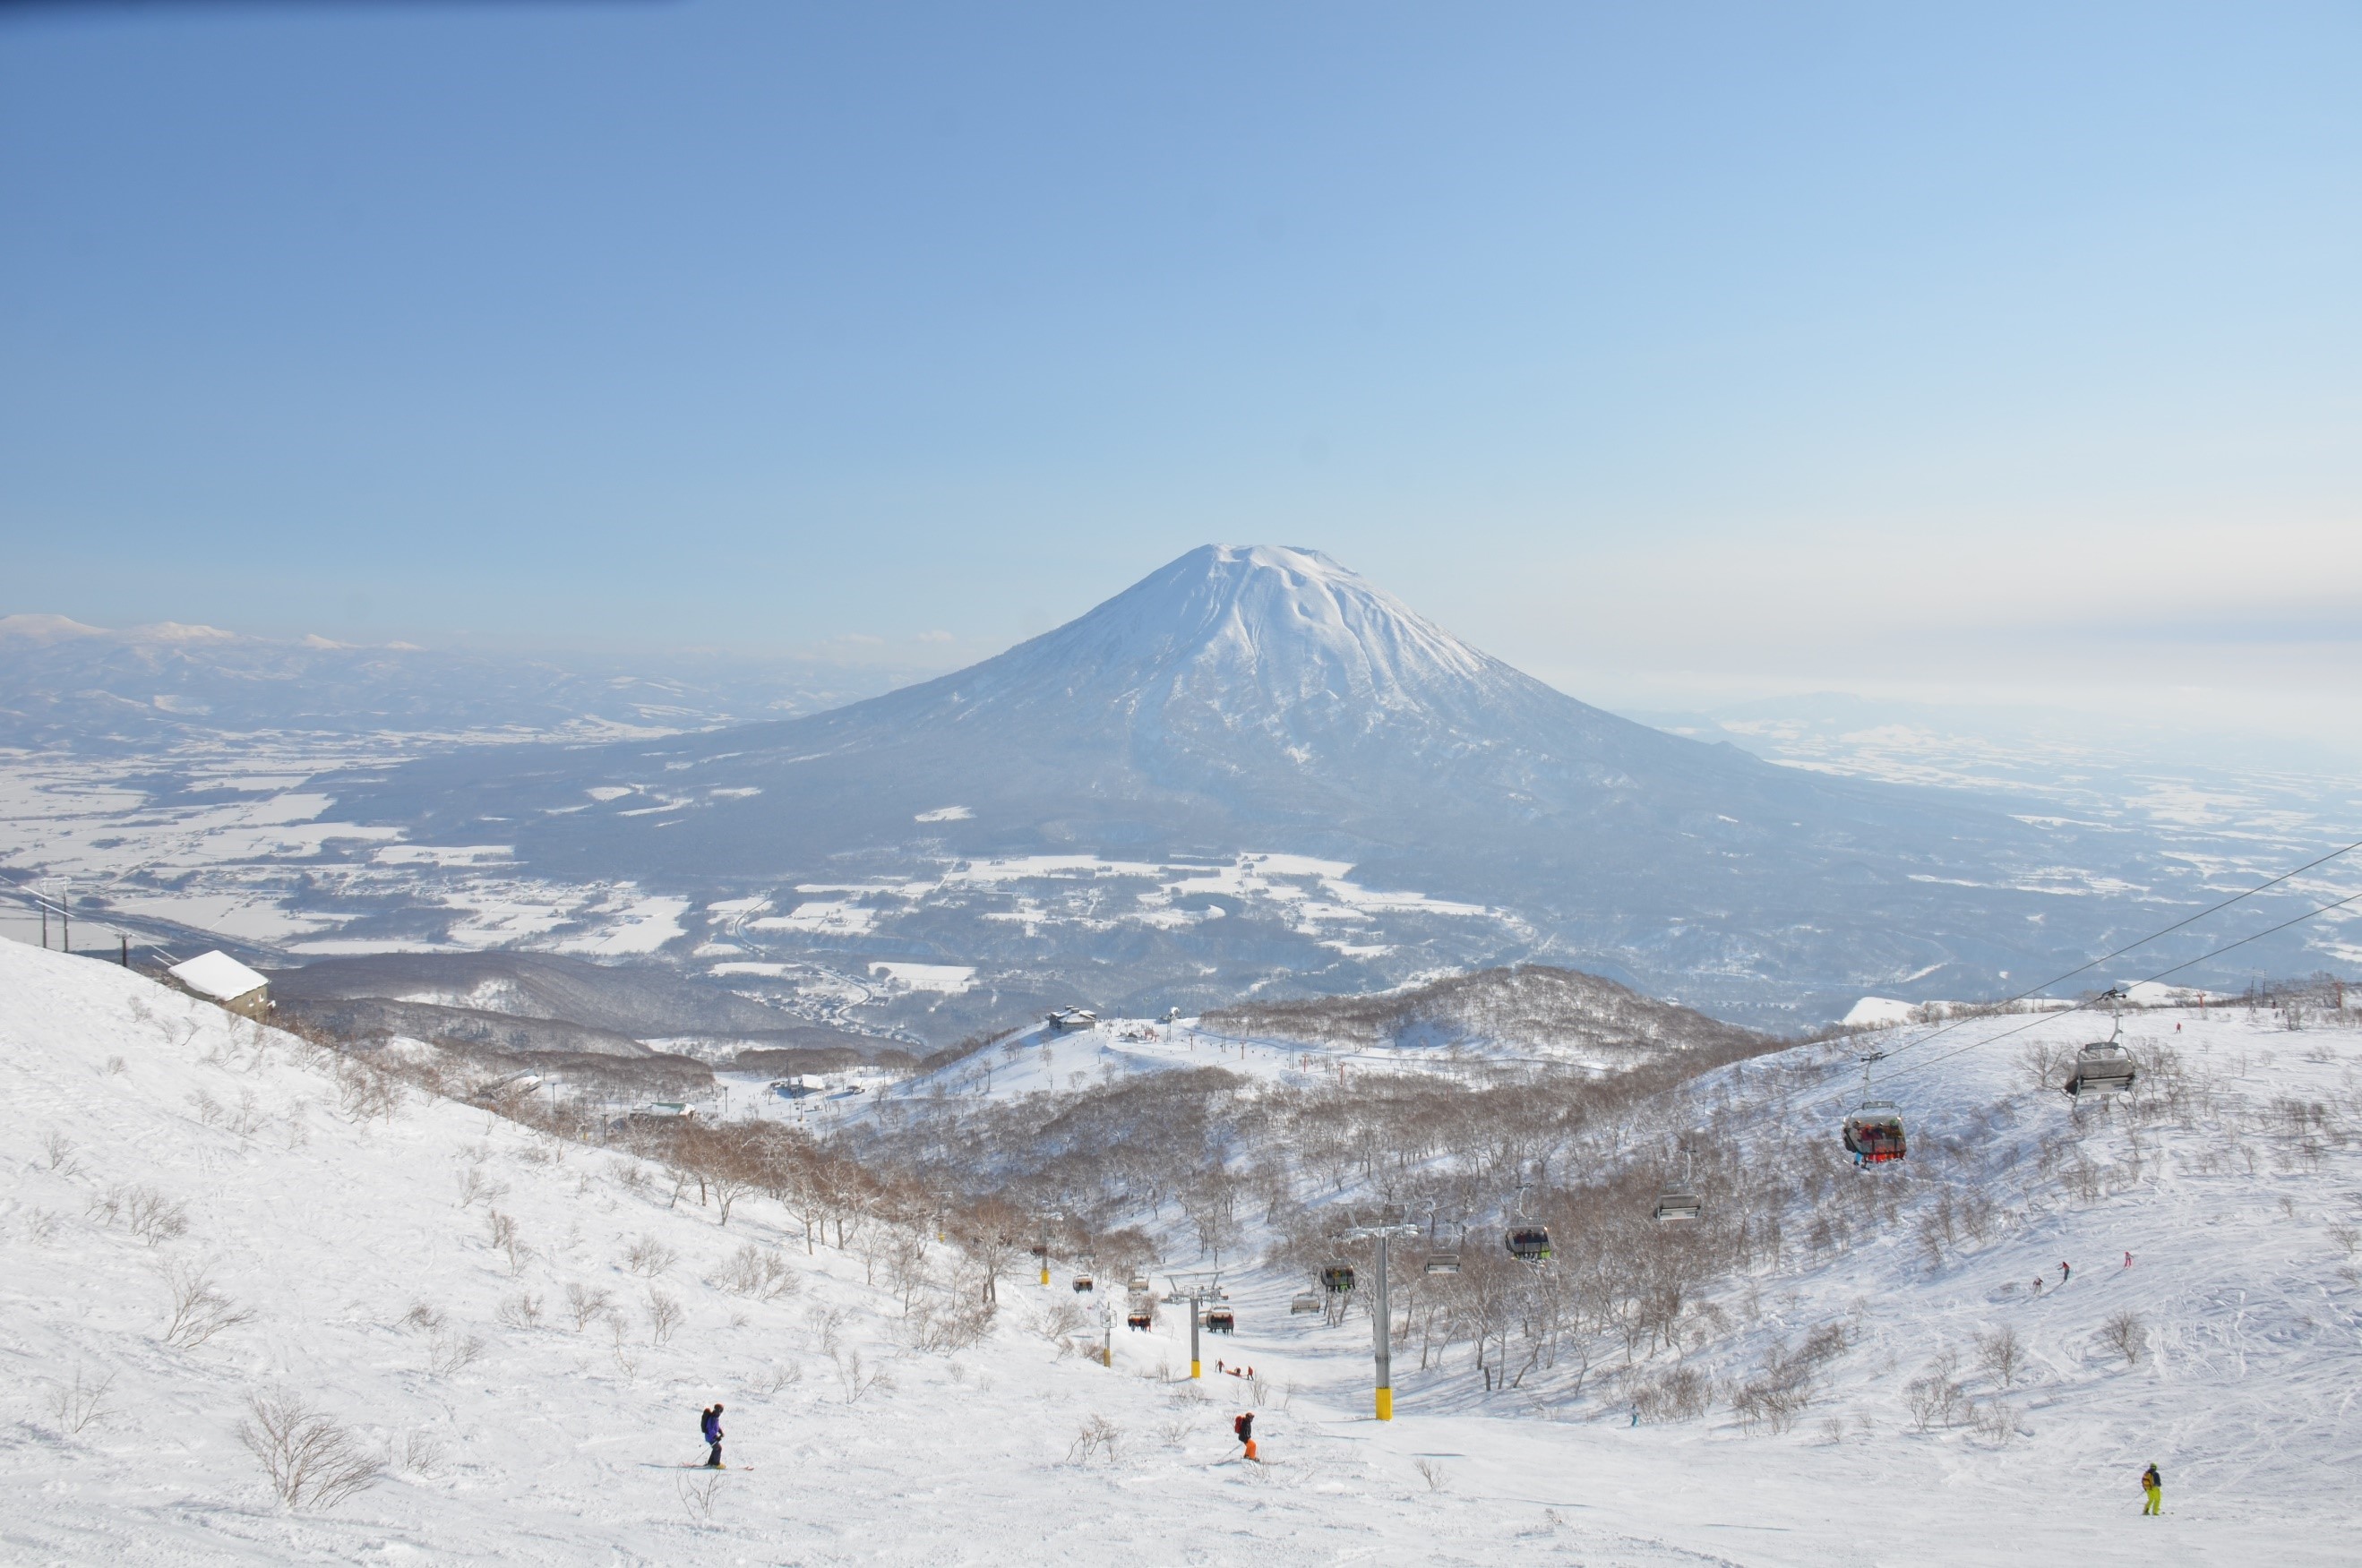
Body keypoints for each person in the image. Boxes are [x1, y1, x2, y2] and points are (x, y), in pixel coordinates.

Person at [700, 1403, 725, 1469]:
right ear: (718, 1410)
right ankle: (716, 1464)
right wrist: (716, 1436)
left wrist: (721, 1432)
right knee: (718, 1448)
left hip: (711, 1437)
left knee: (716, 1448)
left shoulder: (715, 1417)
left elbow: (716, 1427)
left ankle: (711, 1463)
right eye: (721, 1410)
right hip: (710, 1437)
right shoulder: (712, 1418)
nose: (721, 1412)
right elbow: (710, 1429)